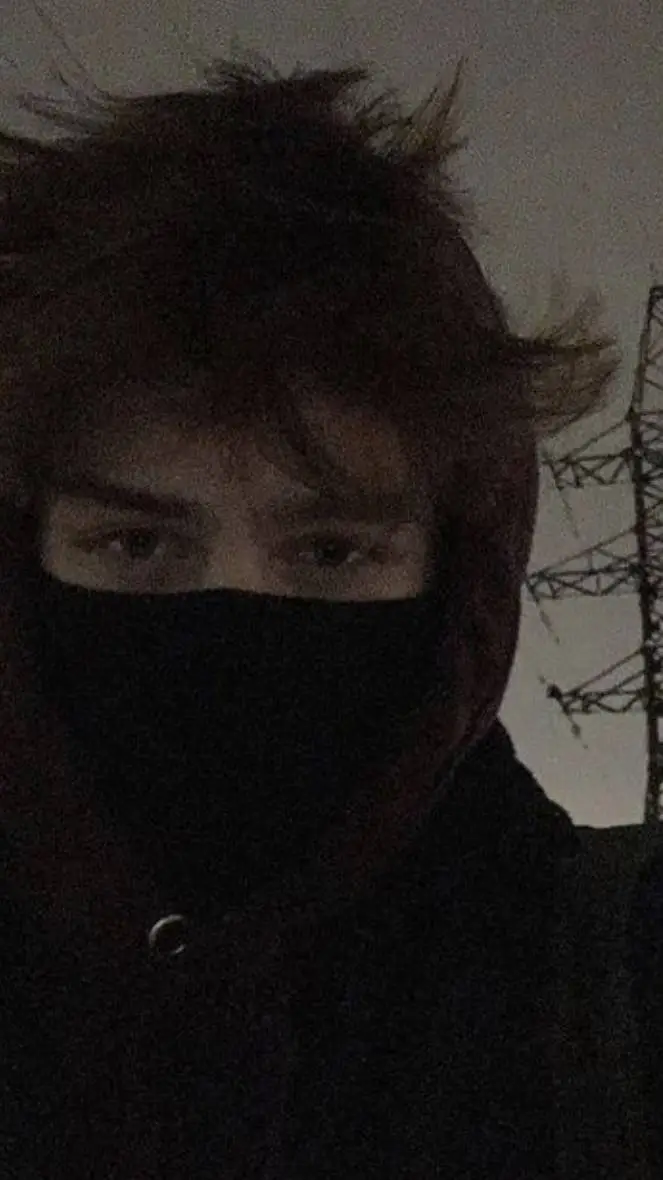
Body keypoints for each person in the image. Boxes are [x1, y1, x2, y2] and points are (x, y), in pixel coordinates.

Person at [0, 53, 660, 1179]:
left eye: (330, 550)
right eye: (137, 543)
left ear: (459, 586)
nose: (237, 616)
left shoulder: (613, 990)